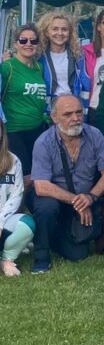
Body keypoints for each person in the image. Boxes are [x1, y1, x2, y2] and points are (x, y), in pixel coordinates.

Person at [27, 95, 104, 273]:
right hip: (53, 197)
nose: (75, 118)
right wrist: (78, 200)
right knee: (47, 208)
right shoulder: (43, 142)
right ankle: (41, 257)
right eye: (68, 114)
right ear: (54, 117)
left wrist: (90, 197)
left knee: (78, 254)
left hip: (85, 198)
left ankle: (54, 235)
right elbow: (41, 186)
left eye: (78, 112)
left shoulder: (95, 135)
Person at [0, 24, 48, 190]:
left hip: (37, 129)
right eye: (23, 40)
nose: (29, 44)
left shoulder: (39, 68)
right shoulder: (8, 68)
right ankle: (18, 212)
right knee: (24, 176)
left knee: (36, 175)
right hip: (14, 131)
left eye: (33, 40)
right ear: (15, 44)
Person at [37, 10, 91, 115]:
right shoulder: (39, 57)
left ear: (70, 32)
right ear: (46, 32)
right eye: (55, 29)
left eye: (64, 29)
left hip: (72, 108)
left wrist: (84, 112)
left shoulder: (78, 56)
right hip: (47, 112)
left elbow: (85, 85)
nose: (60, 33)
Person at [0, 119, 35, 277]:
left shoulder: (12, 160)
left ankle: (7, 258)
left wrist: (0, 222)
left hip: (4, 219)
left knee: (27, 224)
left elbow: (16, 195)